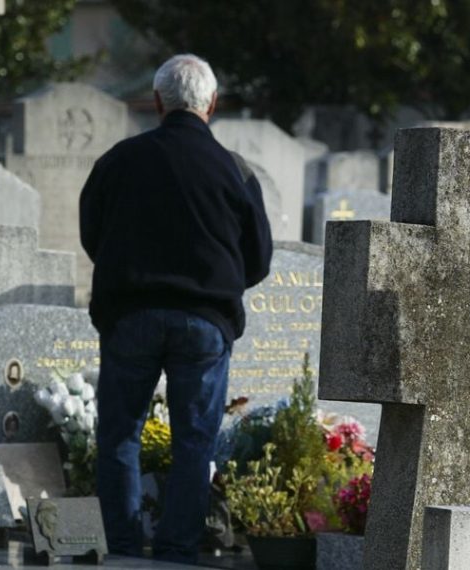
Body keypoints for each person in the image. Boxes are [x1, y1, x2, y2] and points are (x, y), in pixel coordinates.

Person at [79, 53, 273, 563]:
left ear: (159, 101)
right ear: (211, 103)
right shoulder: (236, 170)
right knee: (195, 438)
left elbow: (92, 234)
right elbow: (258, 257)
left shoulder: (119, 160)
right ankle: (177, 547)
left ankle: (121, 545)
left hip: (131, 315)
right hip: (205, 322)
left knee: (121, 433)